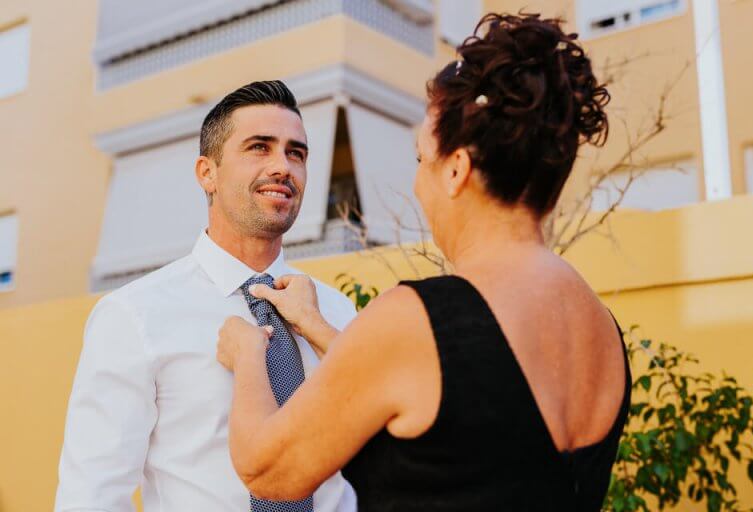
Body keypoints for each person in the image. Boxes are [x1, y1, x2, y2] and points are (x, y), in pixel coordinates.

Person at [216, 12, 630, 511]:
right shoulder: (600, 328)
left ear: (456, 170)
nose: (416, 182)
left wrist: (247, 357)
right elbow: (462, 399)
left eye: (420, 159)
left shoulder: (420, 317)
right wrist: (316, 326)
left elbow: (267, 469)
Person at [55, 81, 358, 512]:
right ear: (206, 173)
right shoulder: (134, 316)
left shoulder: (335, 313)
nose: (283, 167)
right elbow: (93, 495)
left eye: (296, 153)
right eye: (259, 147)